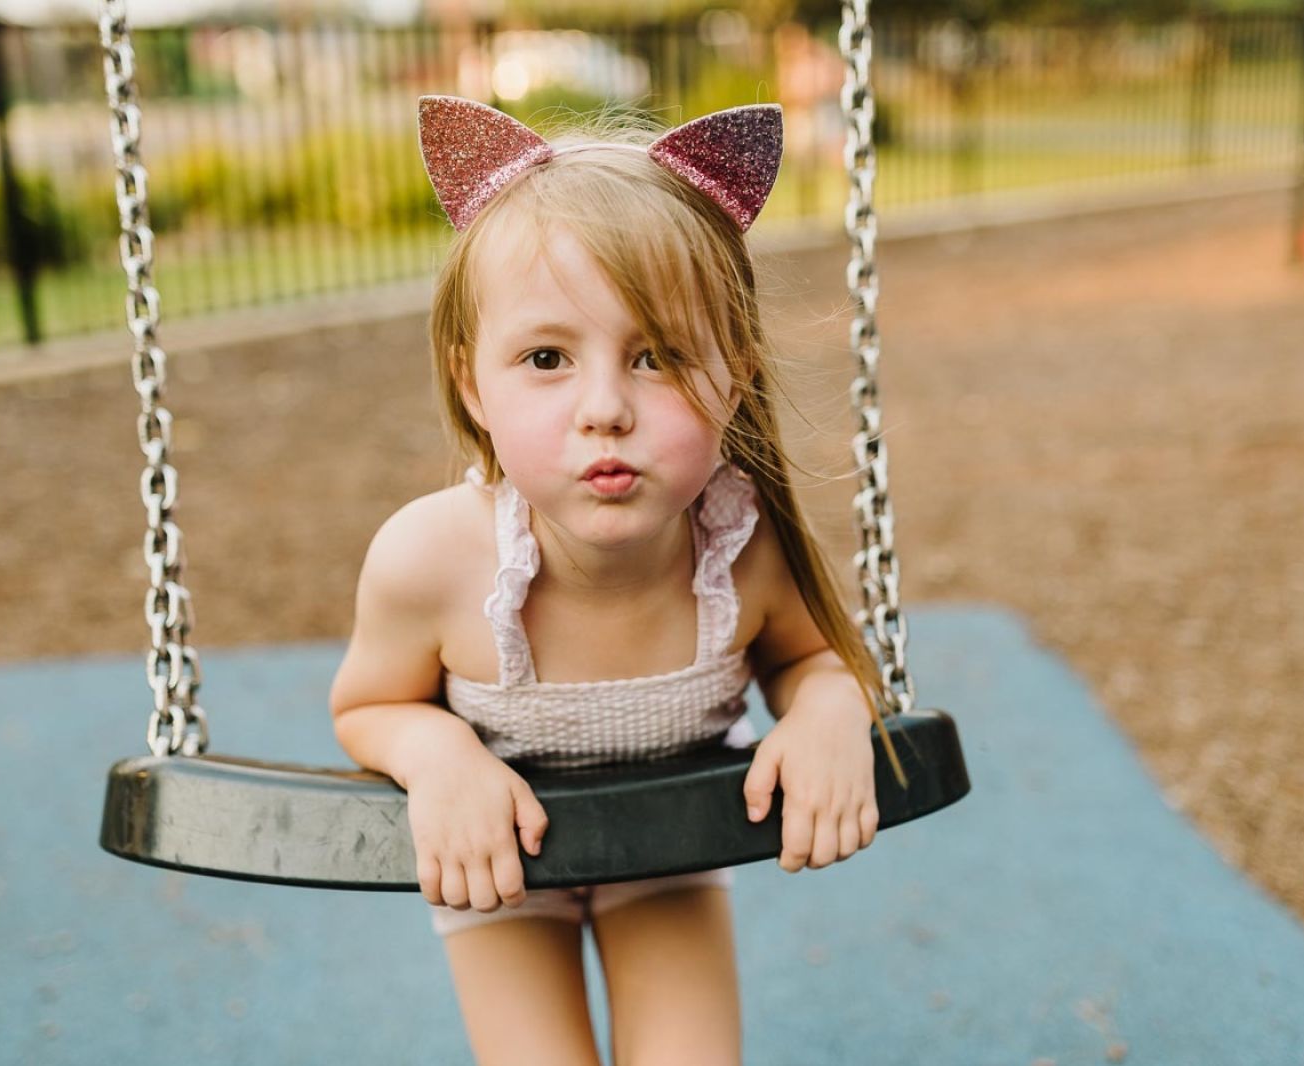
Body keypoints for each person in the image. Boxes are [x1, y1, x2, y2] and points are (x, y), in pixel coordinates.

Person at [328, 95, 908, 1066]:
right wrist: (439, 759)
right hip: (503, 865)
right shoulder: (428, 558)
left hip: (668, 854)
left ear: (735, 375)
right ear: (473, 382)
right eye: (546, 357)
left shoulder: (745, 545)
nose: (604, 408)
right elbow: (368, 707)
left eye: (660, 356)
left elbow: (814, 661)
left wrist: (826, 711)